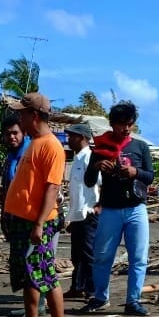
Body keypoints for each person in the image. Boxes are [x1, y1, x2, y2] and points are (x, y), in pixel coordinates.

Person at [1, 92, 67, 317]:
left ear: (34, 115)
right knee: (29, 276)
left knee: (46, 275)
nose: (19, 116)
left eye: (22, 113)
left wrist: (39, 224)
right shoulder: (33, 142)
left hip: (37, 223)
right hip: (21, 221)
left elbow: (52, 188)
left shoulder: (51, 146)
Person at [82, 102, 154, 316]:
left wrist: (135, 172)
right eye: (122, 124)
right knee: (102, 256)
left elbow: (150, 176)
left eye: (130, 124)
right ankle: (100, 297)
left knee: (139, 257)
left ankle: (133, 300)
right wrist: (96, 167)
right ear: (113, 124)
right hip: (111, 209)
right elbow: (88, 181)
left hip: (136, 208)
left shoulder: (140, 147)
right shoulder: (100, 148)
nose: (126, 128)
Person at [64, 123, 99, 300]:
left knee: (88, 253)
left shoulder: (90, 158)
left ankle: (93, 290)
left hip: (88, 214)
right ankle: (77, 287)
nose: (68, 139)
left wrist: (98, 207)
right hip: (77, 214)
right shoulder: (77, 159)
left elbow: (101, 183)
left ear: (83, 138)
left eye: (72, 136)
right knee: (76, 255)